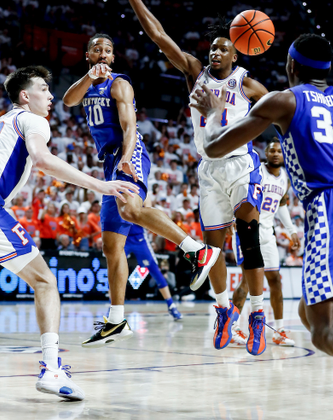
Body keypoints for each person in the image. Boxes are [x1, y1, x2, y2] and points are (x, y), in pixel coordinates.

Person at [108, 0, 269, 355]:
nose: (215, 51)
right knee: (212, 249)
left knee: (247, 239)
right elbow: (159, 36)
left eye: (223, 47)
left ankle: (257, 316)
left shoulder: (247, 82)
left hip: (242, 164)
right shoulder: (194, 72)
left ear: (237, 51)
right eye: (212, 47)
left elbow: (274, 115)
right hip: (209, 170)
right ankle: (222, 310)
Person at [62, 34, 219, 348]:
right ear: (88, 55)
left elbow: (129, 124)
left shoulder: (119, 83)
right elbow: (68, 100)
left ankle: (196, 250)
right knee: (110, 246)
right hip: (108, 162)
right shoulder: (88, 84)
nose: (103, 54)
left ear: (114, 57)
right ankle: (117, 319)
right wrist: (88, 76)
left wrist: (126, 157)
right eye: (97, 50)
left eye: (108, 50)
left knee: (131, 209)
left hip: (128, 152)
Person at [191, 33, 333, 362]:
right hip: (324, 208)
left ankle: (254, 315)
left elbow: (215, 147)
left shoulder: (284, 100)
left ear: (291, 65)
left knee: (324, 330)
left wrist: (213, 113)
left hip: (329, 208)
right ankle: (235, 311)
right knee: (307, 311)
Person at [2, 65, 139, 400]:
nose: (50, 96)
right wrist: (100, 185)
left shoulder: (5, 122)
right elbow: (43, 159)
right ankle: (51, 369)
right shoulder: (32, 120)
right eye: (44, 90)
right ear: (25, 96)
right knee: (46, 283)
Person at [231, 139, 300, 347]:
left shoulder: (284, 178)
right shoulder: (257, 170)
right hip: (248, 230)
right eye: (272, 150)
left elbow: (282, 205)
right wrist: (232, 218)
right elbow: (238, 192)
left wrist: (291, 230)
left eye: (279, 151)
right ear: (266, 154)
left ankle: (279, 331)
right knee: (247, 280)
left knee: (275, 281)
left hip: (268, 234)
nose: (276, 154)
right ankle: (232, 328)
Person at [125, 197, 182, 320]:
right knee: (114, 268)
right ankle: (113, 308)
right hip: (121, 236)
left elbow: (148, 213)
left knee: (155, 270)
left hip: (139, 238)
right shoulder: (119, 185)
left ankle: (171, 305)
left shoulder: (144, 193)